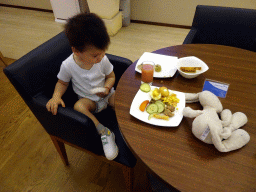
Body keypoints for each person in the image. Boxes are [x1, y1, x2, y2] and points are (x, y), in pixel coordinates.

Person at [46, 13, 118, 160]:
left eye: (103, 51)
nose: (101, 56)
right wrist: (56, 96)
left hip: (107, 94)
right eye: (95, 55)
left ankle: (128, 124)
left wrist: (107, 88)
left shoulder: (102, 59)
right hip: (89, 101)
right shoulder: (68, 65)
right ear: (76, 51)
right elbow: (62, 82)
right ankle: (104, 132)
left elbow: (111, 76)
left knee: (122, 99)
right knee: (79, 106)